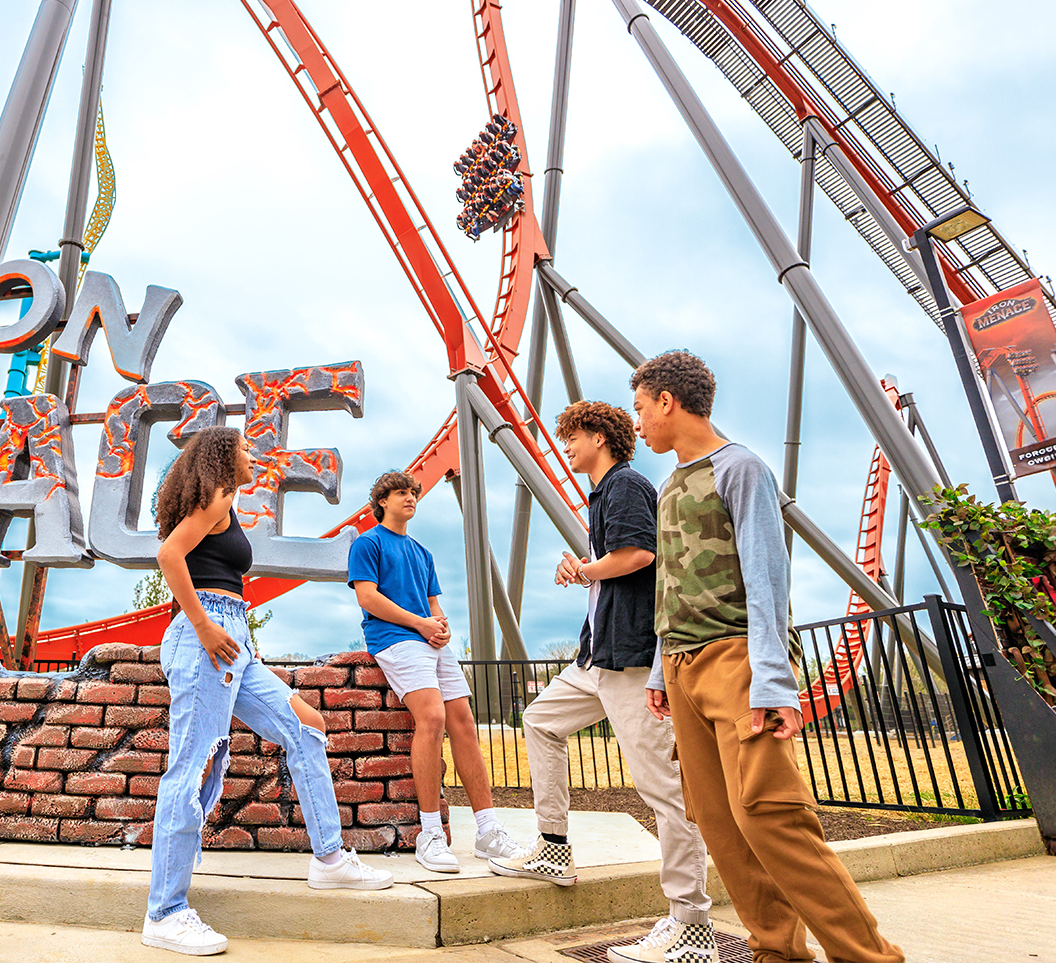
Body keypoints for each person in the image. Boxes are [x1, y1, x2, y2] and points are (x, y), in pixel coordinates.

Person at [634, 351, 903, 963]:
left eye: (642, 408)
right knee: (718, 822)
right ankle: (775, 952)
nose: (639, 422)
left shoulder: (741, 468)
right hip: (680, 667)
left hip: (735, 660)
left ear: (668, 401)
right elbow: (669, 584)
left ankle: (868, 957)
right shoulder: (670, 486)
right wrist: (658, 670)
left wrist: (774, 682)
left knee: (768, 815)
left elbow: (766, 575)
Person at [143, 427, 392, 957]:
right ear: (222, 456)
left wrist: (225, 631)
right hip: (206, 637)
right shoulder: (216, 498)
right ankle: (164, 913)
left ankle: (330, 859)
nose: (252, 454)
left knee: (306, 725)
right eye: (244, 448)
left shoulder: (226, 503)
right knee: (192, 766)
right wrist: (205, 627)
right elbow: (169, 556)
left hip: (232, 639)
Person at [488, 401, 713, 963]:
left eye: (572, 436)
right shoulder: (602, 495)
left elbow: (638, 553)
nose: (566, 446)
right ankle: (553, 847)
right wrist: (584, 567)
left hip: (631, 659)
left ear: (598, 438)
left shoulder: (625, 485)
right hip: (597, 656)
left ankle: (692, 925)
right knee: (540, 720)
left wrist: (585, 568)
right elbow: (615, 562)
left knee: (663, 788)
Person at [347, 470, 526, 874]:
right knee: (432, 718)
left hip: (429, 640)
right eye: (400, 493)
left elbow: (433, 604)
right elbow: (368, 598)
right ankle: (429, 834)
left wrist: (441, 626)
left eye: (413, 492)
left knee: (463, 722)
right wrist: (421, 624)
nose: (410, 498)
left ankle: (487, 830)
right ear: (382, 502)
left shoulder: (422, 553)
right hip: (395, 639)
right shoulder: (368, 543)